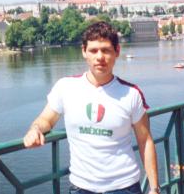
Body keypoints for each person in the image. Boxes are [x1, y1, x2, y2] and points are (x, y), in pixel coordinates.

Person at [23, 21, 160, 194]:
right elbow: (46, 120)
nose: (99, 57)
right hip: (81, 187)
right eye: (93, 50)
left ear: (117, 52)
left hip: (124, 187)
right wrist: (35, 129)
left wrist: (154, 187)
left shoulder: (131, 94)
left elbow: (145, 140)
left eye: (106, 50)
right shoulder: (66, 87)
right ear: (84, 52)